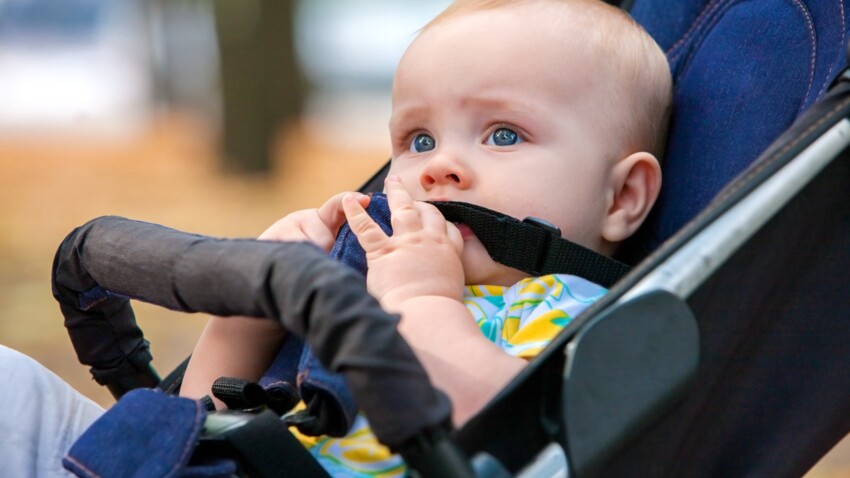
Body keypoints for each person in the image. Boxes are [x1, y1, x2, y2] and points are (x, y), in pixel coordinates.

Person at [0, 0, 671, 476]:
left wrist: (421, 303)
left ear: (622, 198)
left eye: (503, 135)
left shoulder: (578, 317)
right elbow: (196, 423)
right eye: (418, 139)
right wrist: (254, 308)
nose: (438, 166)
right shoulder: (364, 277)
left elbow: (509, 435)